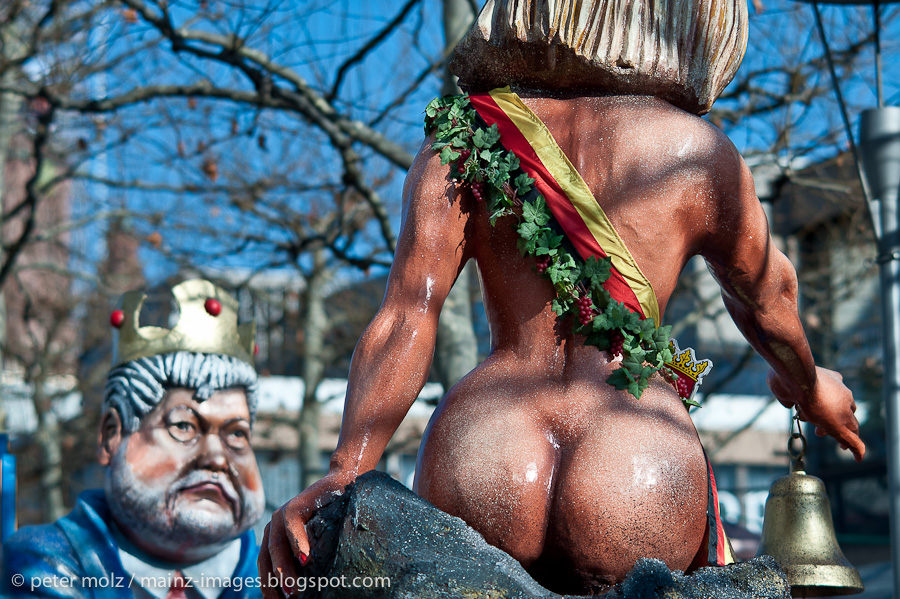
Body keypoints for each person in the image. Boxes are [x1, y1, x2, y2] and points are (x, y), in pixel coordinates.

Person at [259, 1, 866, 595]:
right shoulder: (699, 152)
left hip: (485, 442)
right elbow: (768, 298)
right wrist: (809, 385)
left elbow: (407, 313)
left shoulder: (462, 134)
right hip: (634, 446)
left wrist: (348, 466)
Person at [2, 279, 266, 598]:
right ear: (111, 436)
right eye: (183, 426)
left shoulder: (286, 580)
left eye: (237, 433)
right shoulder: (45, 565)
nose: (216, 457)